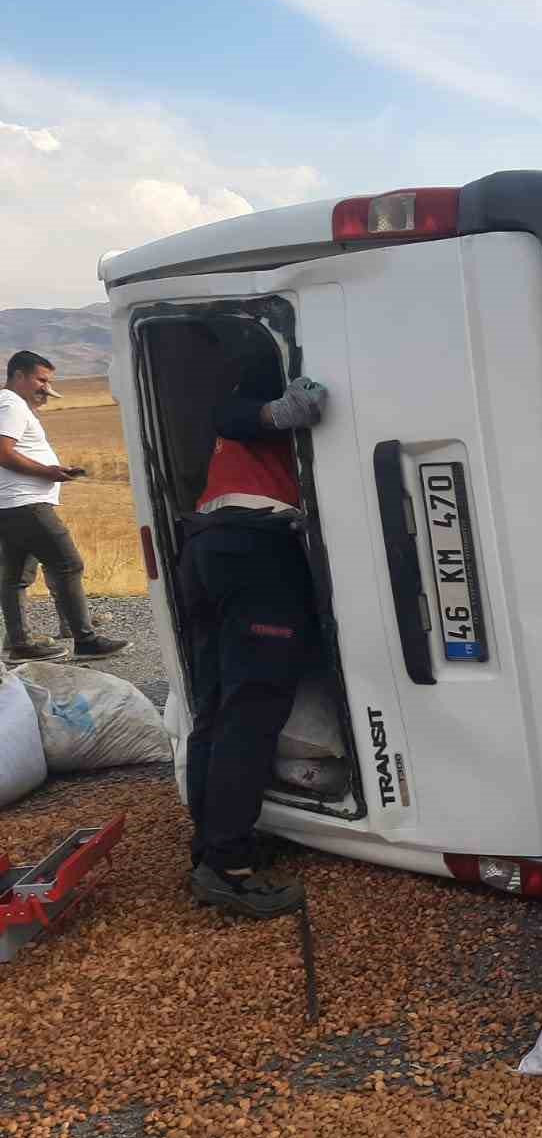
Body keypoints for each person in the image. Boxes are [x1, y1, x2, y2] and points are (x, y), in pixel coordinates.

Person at [180, 350, 327, 920]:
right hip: (254, 551)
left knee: (217, 709)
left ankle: (211, 845)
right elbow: (230, 414)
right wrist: (277, 412)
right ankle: (228, 869)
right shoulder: (265, 387)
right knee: (252, 708)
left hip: (207, 548)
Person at [0, 350, 130, 662]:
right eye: (40, 379)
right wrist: (50, 472)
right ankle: (85, 641)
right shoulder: (11, 404)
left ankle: (20, 644)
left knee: (16, 575)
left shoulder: (15, 404)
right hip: (25, 503)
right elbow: (3, 452)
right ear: (19, 375)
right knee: (68, 564)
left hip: (13, 504)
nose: (45, 386)